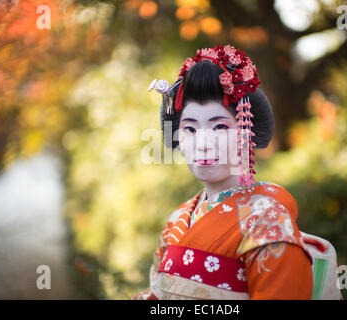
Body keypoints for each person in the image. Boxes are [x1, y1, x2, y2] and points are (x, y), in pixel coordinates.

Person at [134, 45, 314, 300]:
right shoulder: (177, 221)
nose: (203, 143)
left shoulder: (270, 223)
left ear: (246, 133)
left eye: (219, 127)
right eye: (190, 129)